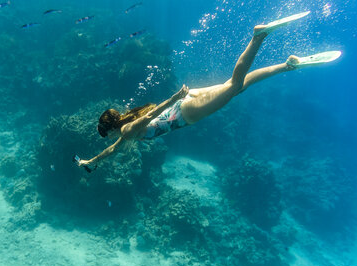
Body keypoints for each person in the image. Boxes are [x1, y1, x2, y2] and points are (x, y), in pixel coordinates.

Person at [78, 11, 341, 168]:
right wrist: (92, 162)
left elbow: (148, 119)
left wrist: (174, 98)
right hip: (185, 104)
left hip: (185, 112)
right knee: (238, 86)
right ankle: (288, 65)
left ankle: (258, 36)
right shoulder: (125, 130)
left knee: (235, 84)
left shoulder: (126, 131)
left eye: (104, 131)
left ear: (112, 127)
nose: (107, 136)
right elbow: (111, 151)